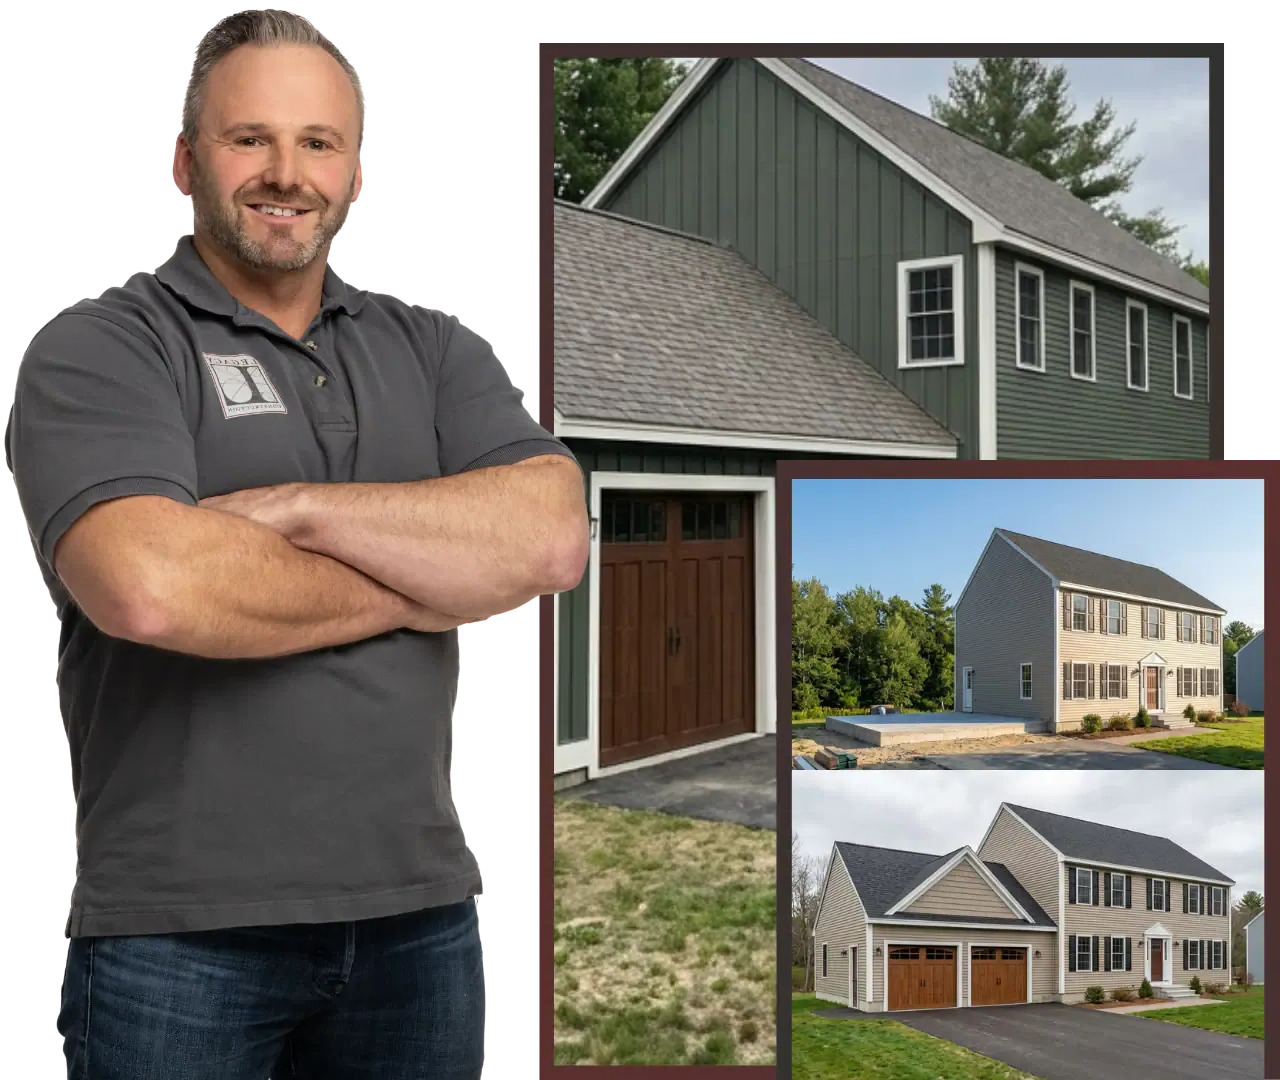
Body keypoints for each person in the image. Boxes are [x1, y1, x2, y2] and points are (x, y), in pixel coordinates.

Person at [6, 10, 587, 1079]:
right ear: (185, 160)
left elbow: (549, 541)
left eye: (318, 142)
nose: (286, 171)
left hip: (423, 922)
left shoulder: (435, 346)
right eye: (249, 139)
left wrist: (298, 515)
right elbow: (147, 589)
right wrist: (431, 583)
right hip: (175, 935)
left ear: (356, 173)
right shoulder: (102, 346)